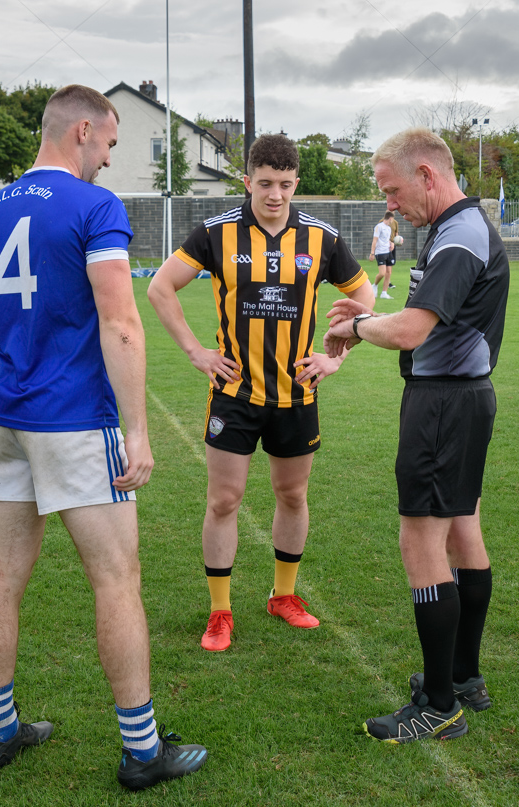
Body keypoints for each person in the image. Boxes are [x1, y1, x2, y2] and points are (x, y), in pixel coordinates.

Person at [0, 84, 207, 790]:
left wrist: (17, 321)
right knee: (115, 579)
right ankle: (143, 752)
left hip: (3, 416)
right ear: (83, 129)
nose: (110, 159)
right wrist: (138, 431)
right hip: (75, 419)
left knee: (3, 571)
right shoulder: (93, 207)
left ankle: (0, 729)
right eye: (110, 143)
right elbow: (120, 322)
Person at [147, 134, 374, 652]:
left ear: (297, 184)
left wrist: (336, 356)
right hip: (234, 393)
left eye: (286, 185)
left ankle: (284, 596)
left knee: (292, 495)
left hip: (297, 393)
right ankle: (220, 610)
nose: (276, 195)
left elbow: (364, 296)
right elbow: (160, 287)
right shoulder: (215, 233)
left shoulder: (322, 239)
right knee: (224, 500)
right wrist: (196, 352)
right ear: (248, 181)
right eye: (266, 183)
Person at [324, 127, 509, 743]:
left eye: (394, 189)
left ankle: (438, 704)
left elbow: (409, 331)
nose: (390, 204)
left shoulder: (460, 233)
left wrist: (359, 326)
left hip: (443, 406)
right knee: (462, 530)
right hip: (463, 399)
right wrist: (370, 321)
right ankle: (463, 679)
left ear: (428, 174)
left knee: (421, 543)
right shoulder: (456, 228)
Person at [369, 210, 395, 299]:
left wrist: (391, 243)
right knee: (382, 273)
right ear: (390, 218)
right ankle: (374, 285)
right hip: (380, 252)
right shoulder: (378, 227)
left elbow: (386, 239)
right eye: (392, 219)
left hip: (388, 252)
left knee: (389, 273)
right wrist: (372, 253)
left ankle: (384, 293)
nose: (392, 221)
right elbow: (375, 240)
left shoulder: (389, 228)